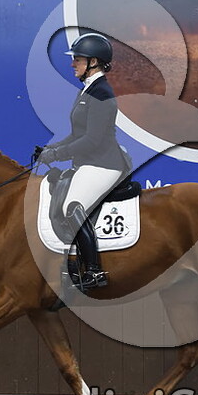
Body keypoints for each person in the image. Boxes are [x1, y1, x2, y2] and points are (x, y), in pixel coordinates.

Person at [37, 32, 127, 290]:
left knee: (72, 206)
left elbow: (92, 140)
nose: (72, 63)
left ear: (93, 62)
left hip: (104, 164)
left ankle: (95, 271)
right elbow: (77, 135)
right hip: (90, 163)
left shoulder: (102, 93)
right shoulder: (88, 90)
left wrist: (58, 155)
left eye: (77, 59)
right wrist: (51, 148)